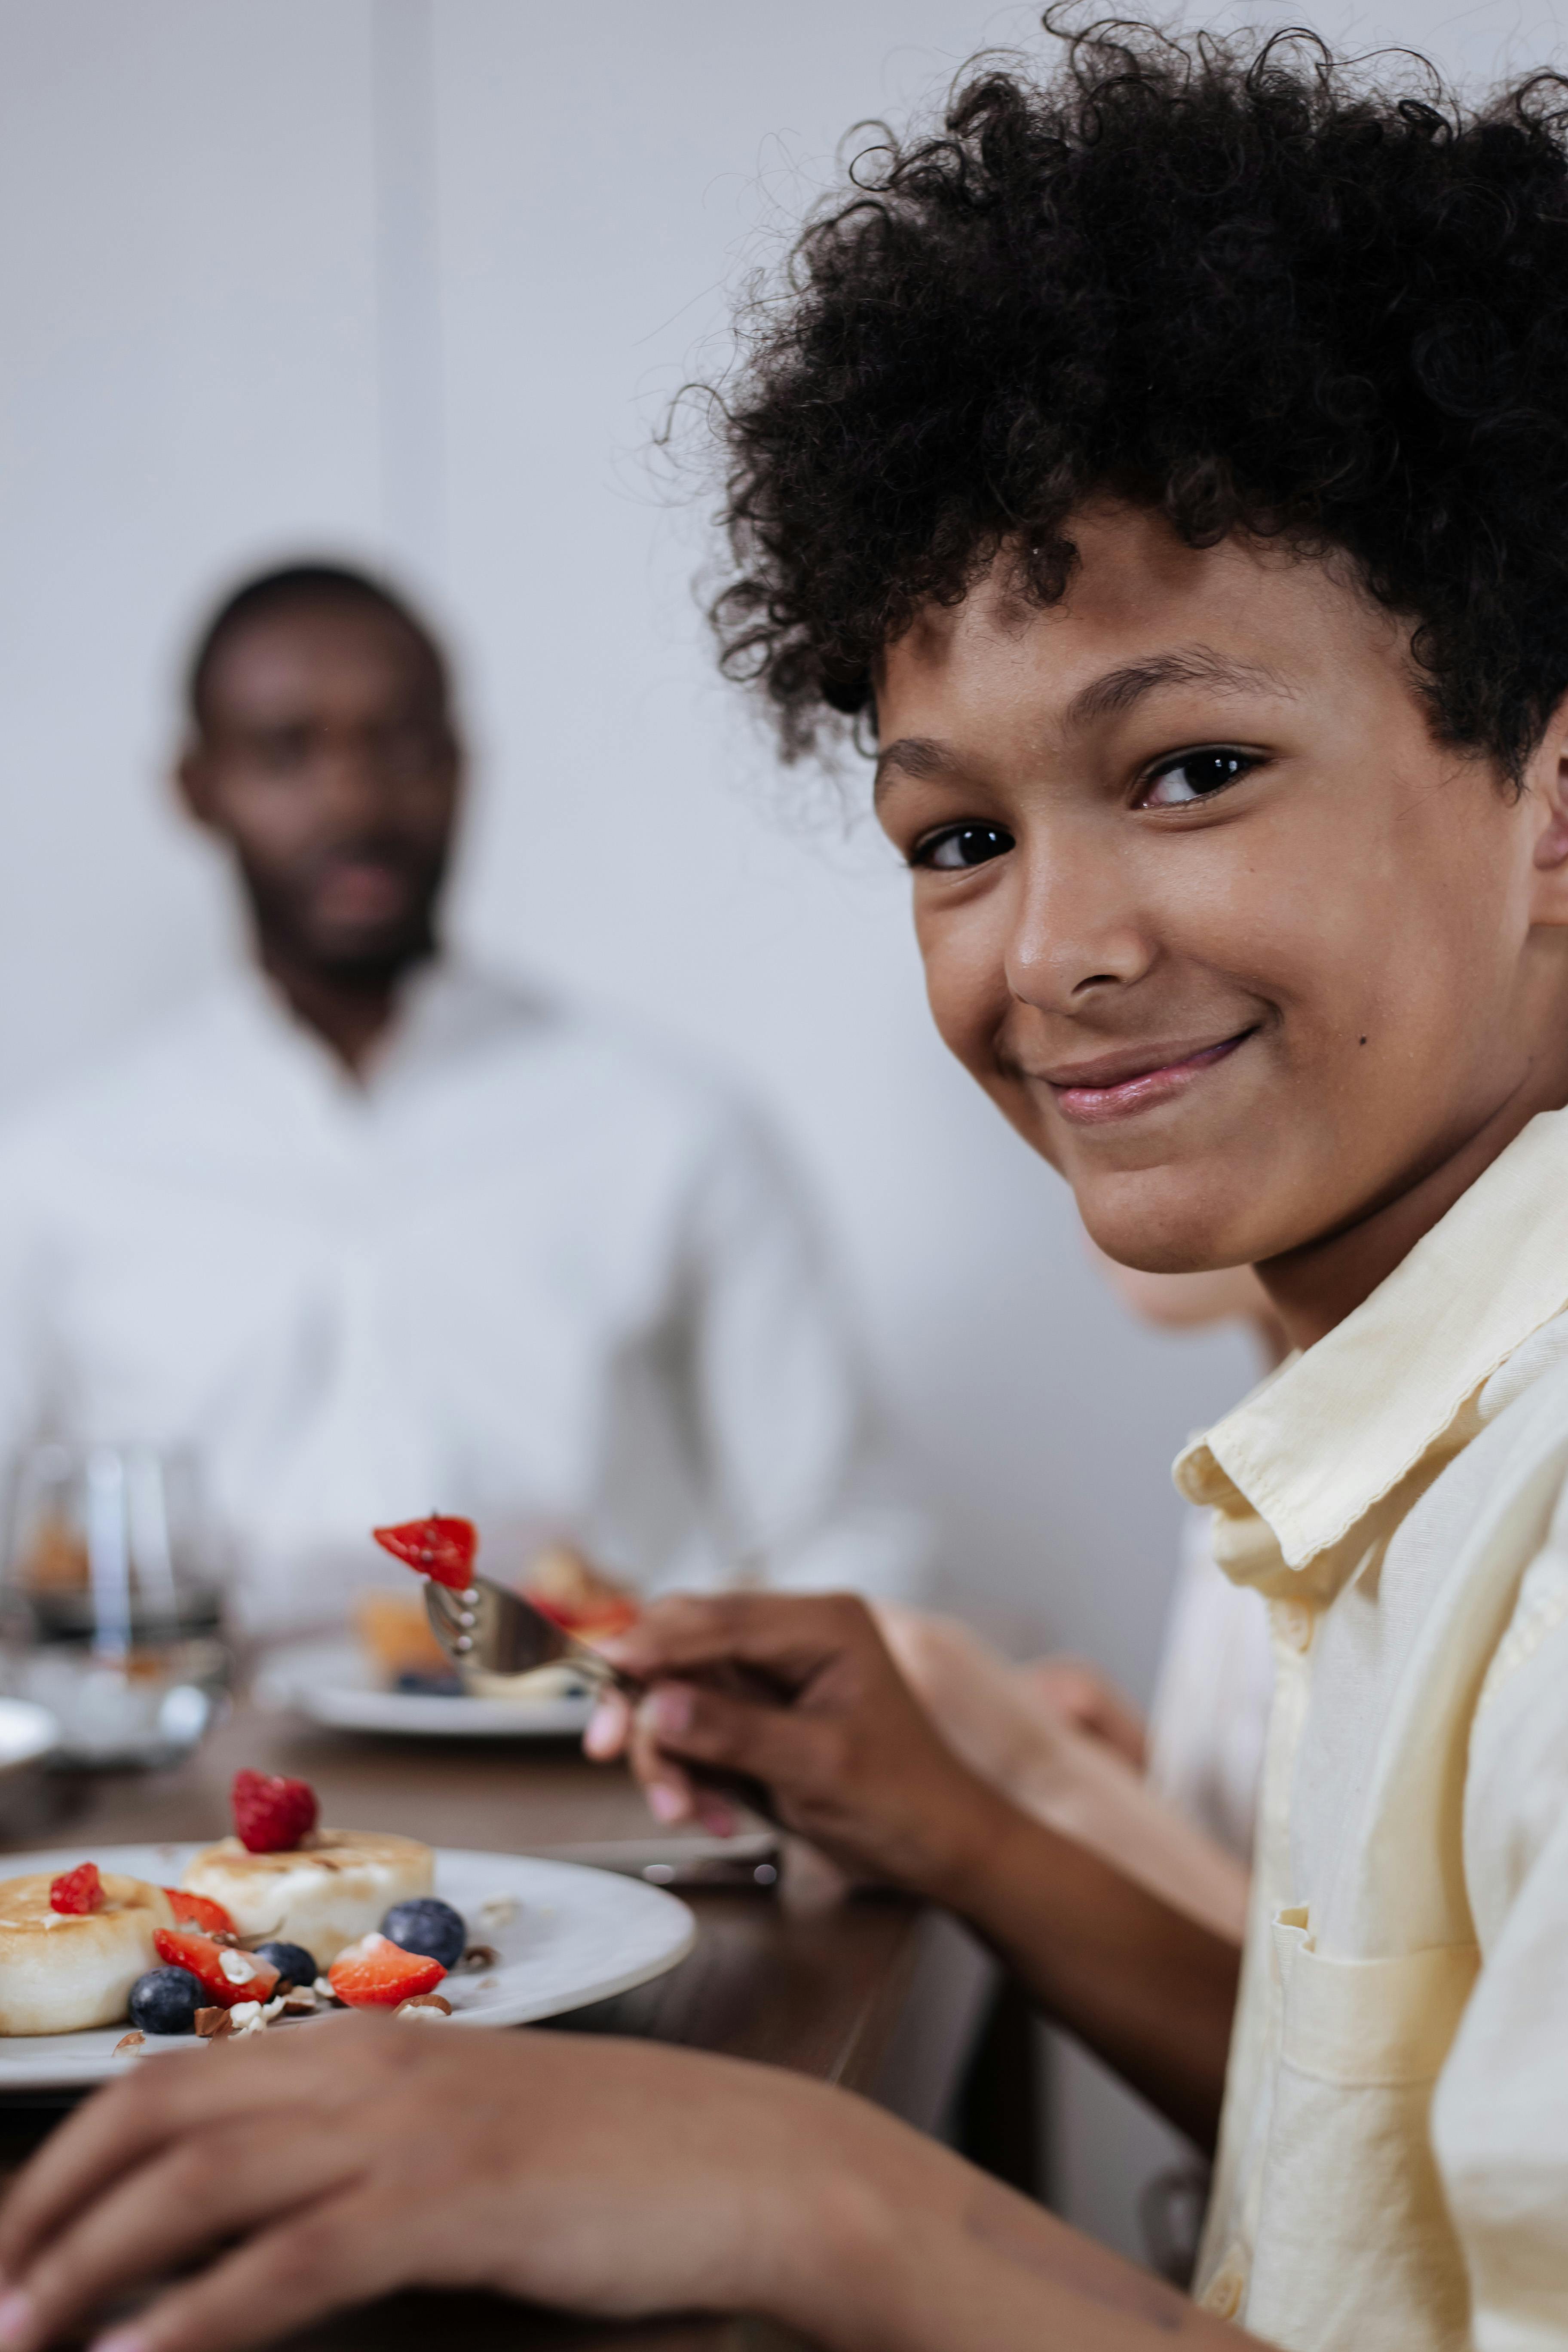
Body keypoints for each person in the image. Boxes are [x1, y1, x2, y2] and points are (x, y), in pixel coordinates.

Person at [12, 20, 1568, 2350]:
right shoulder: (1422, 1435)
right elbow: (1379, 2157)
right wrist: (955, 1831)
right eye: (960, 838)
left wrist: (826, 2196)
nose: (1052, 950)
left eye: (1197, 767)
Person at [0, 563, 926, 1633]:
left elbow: (850, 1532)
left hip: (595, 1766)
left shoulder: (669, 1127)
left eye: (399, 745)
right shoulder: (61, 1171)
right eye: (287, 751)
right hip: (196, 1773)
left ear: (462, 767)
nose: (353, 798)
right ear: (196, 788)